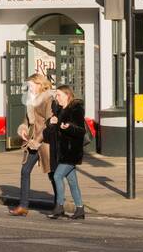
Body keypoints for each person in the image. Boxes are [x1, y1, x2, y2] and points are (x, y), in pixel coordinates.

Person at [10, 73, 54, 217]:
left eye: (31, 85)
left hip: (45, 141)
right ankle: (23, 206)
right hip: (32, 142)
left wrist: (38, 140)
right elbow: (27, 120)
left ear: (40, 84)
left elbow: (49, 123)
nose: (29, 88)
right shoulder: (31, 100)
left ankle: (58, 204)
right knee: (25, 171)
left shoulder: (48, 99)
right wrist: (23, 129)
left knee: (53, 174)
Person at [46, 84, 87, 221]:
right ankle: (80, 209)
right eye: (56, 95)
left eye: (59, 95)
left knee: (57, 176)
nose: (56, 98)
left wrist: (68, 127)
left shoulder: (75, 109)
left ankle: (59, 207)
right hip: (61, 152)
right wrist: (51, 123)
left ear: (67, 95)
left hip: (71, 152)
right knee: (72, 182)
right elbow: (53, 130)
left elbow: (81, 131)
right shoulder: (58, 110)